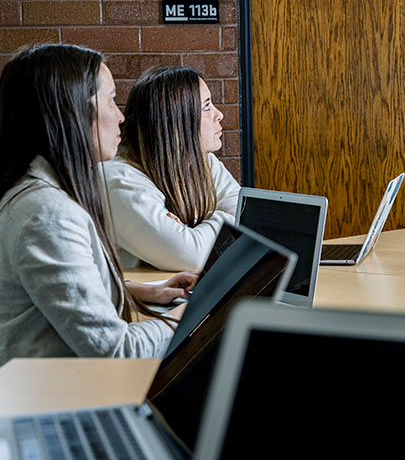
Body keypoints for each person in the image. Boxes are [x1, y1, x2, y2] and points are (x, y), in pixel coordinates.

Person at [0, 44, 196, 364]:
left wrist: (138, 290)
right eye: (110, 98)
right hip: (50, 399)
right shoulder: (47, 215)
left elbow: (57, 294)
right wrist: (190, 313)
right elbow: (118, 350)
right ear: (73, 110)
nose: (120, 117)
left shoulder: (36, 195)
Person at [104, 66, 240, 272]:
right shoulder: (120, 181)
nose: (219, 114)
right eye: (206, 107)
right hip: (138, 304)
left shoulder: (204, 162)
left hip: (178, 297)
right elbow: (191, 256)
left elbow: (247, 216)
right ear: (175, 120)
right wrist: (221, 218)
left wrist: (190, 230)